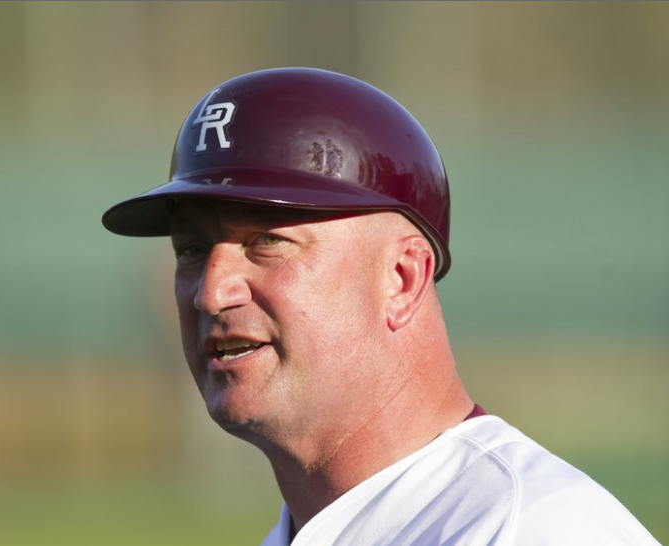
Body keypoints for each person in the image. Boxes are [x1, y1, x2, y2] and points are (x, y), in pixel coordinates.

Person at [102, 68, 660, 546]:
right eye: (191, 250)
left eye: (266, 241)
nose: (209, 291)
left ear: (401, 278)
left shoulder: (531, 530)